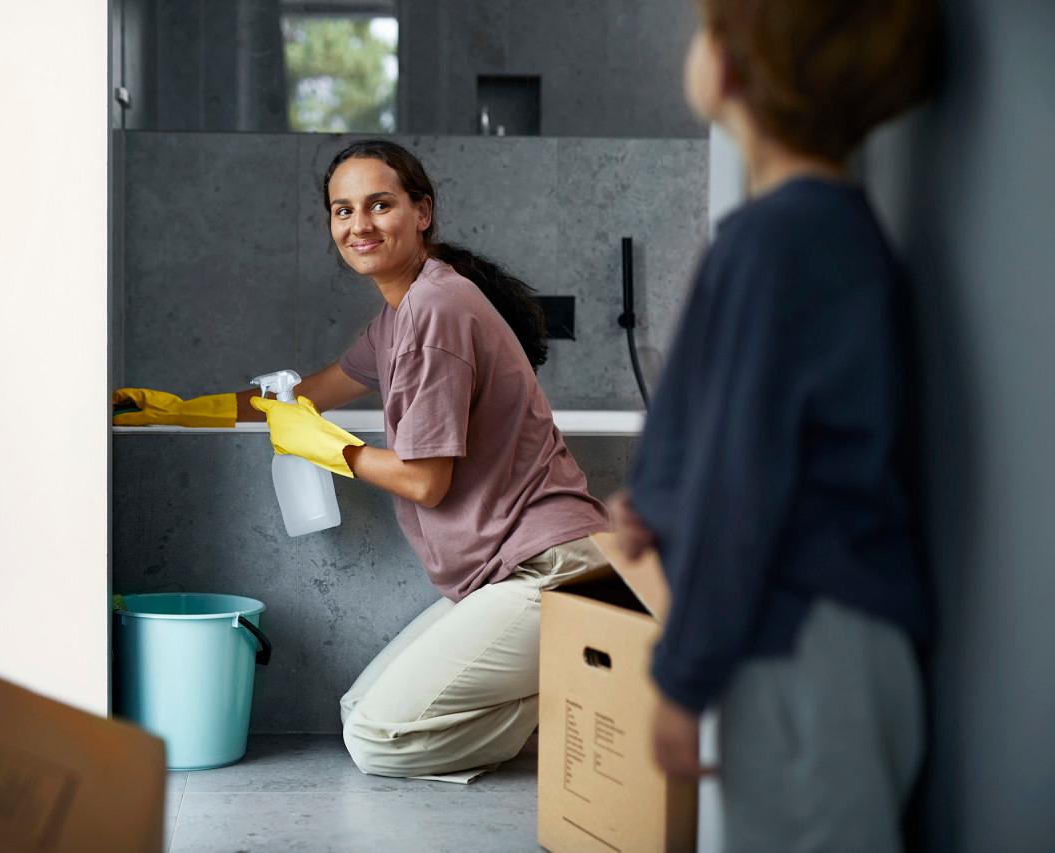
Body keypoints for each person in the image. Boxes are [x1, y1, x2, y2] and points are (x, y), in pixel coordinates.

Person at [115, 139, 611, 778]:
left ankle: (588, 703)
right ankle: (579, 687)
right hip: (506, 572)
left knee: (380, 739)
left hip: (550, 572)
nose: (359, 225)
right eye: (342, 210)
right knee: (359, 711)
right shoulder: (402, 314)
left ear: (422, 211)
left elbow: (427, 483)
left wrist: (336, 449)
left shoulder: (435, 309)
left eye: (380, 205)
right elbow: (299, 397)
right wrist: (183, 410)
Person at [609, 1, 938, 850]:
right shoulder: (819, 233)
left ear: (729, 67)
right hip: (821, 644)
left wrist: (681, 682)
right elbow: (773, 443)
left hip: (801, 648)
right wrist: (664, 505)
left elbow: (744, 483)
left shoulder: (774, 244)